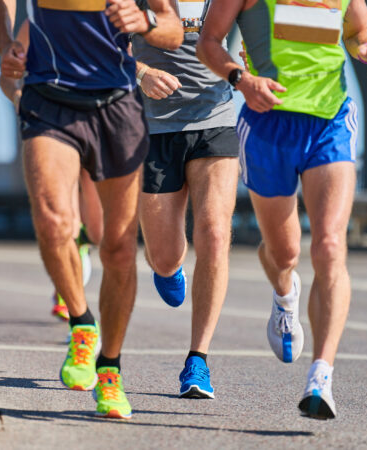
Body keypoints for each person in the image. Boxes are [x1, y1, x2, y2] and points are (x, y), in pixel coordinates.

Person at [0, 0, 182, 420]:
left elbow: (172, 29)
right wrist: (5, 42)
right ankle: (81, 322)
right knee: (54, 223)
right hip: (48, 98)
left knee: (118, 249)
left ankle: (109, 369)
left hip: (116, 104)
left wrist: (145, 21)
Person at [198, 0, 367, 419]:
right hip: (269, 125)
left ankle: (321, 376)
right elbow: (210, 42)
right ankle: (285, 295)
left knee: (328, 246)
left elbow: (360, 31)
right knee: (285, 253)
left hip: (330, 121)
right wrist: (241, 79)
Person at [131, 0, 239, 399]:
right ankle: (168, 267)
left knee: (213, 233)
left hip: (215, 118)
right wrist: (141, 72)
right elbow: (102, 43)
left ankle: (199, 359)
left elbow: (262, 31)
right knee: (164, 254)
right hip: (153, 127)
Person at [0, 16, 104, 322]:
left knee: (98, 231)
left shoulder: (106, 20)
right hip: (51, 124)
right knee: (58, 217)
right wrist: (20, 100)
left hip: (99, 122)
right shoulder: (39, 23)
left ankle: (82, 242)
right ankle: (76, 310)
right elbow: (7, 78)